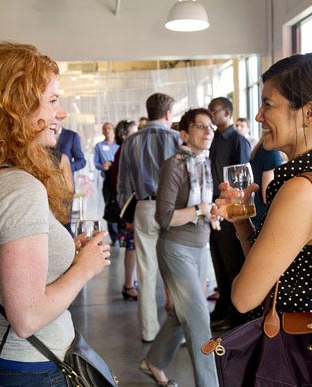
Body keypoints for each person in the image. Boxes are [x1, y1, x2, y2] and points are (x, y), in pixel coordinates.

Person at [0, 41, 111, 386]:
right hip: (34, 369)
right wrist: (85, 269)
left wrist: (69, 252)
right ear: (17, 108)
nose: (62, 113)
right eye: (53, 100)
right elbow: (26, 317)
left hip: (12, 362)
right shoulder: (19, 189)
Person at [213, 52, 312, 324]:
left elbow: (243, 297)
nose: (259, 116)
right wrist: (242, 222)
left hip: (291, 345)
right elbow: (273, 279)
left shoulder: (300, 190)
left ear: (309, 113)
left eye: (268, 104)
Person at [141, 108, 220, 387]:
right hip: (175, 250)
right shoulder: (174, 165)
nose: (208, 131)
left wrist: (211, 213)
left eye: (211, 126)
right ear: (185, 134)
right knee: (199, 322)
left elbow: (202, 208)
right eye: (201, 126)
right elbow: (164, 218)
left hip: (199, 247)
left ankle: (153, 361)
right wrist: (200, 209)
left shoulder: (203, 163)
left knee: (181, 314)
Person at [117, 93, 181, 343]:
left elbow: (122, 184)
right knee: (176, 270)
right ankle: (178, 330)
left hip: (144, 207)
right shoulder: (177, 139)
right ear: (167, 114)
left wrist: (127, 213)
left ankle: (148, 331)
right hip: (173, 208)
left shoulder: (130, 142)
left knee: (145, 271)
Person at [207, 97, 251, 331]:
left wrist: (232, 210)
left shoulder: (238, 141)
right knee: (219, 264)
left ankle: (235, 316)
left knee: (232, 264)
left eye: (214, 111)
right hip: (213, 209)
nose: (211, 115)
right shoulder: (213, 139)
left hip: (229, 211)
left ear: (227, 112)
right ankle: (222, 309)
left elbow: (241, 179)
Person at [106, 120, 139, 300]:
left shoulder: (126, 151)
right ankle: (128, 284)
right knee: (132, 247)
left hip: (131, 207)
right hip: (130, 208)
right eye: (134, 133)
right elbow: (120, 184)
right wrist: (127, 214)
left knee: (133, 247)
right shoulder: (124, 152)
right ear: (124, 136)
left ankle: (131, 283)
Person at [95, 121, 120, 245]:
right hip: (108, 182)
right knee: (110, 208)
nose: (107, 131)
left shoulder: (119, 145)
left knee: (120, 206)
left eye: (109, 128)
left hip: (119, 180)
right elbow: (96, 163)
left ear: (113, 130)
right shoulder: (99, 146)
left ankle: (121, 235)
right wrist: (102, 166)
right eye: (104, 129)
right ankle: (114, 237)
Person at [250, 136, 284, 223]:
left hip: (256, 214)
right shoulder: (272, 152)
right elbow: (268, 196)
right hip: (265, 218)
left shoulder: (261, 149)